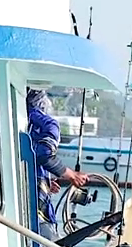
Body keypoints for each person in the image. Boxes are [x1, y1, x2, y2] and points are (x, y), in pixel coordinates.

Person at [27, 88, 88, 223]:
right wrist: (72, 175)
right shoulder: (49, 124)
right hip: (34, 208)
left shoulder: (16, 118)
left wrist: (46, 182)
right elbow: (44, 155)